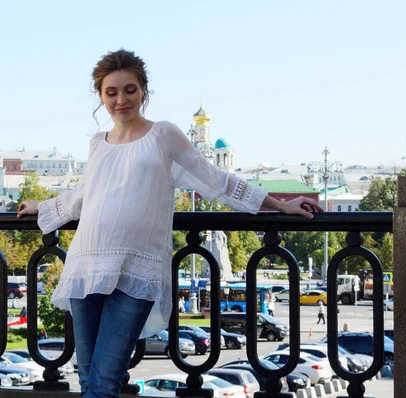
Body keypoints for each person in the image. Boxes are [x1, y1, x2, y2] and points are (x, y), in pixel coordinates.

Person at [16, 49, 322, 398]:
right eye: (111, 92)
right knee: (89, 379)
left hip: (136, 272)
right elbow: (82, 197)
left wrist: (278, 204)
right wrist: (43, 206)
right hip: (87, 267)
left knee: (104, 383)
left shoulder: (163, 135)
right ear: (100, 96)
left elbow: (215, 180)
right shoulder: (97, 145)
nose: (121, 99)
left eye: (129, 89)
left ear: (143, 90)